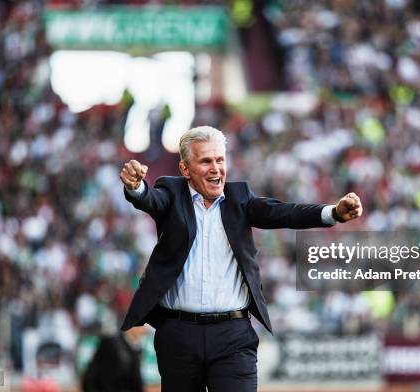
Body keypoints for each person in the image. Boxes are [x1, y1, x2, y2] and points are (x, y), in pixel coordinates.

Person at [118, 126, 362, 392]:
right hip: (178, 335)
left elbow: (283, 212)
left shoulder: (241, 199)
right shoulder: (172, 193)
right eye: (206, 161)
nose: (216, 168)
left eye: (220, 160)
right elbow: (149, 199)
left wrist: (333, 213)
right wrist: (136, 187)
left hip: (233, 336)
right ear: (185, 169)